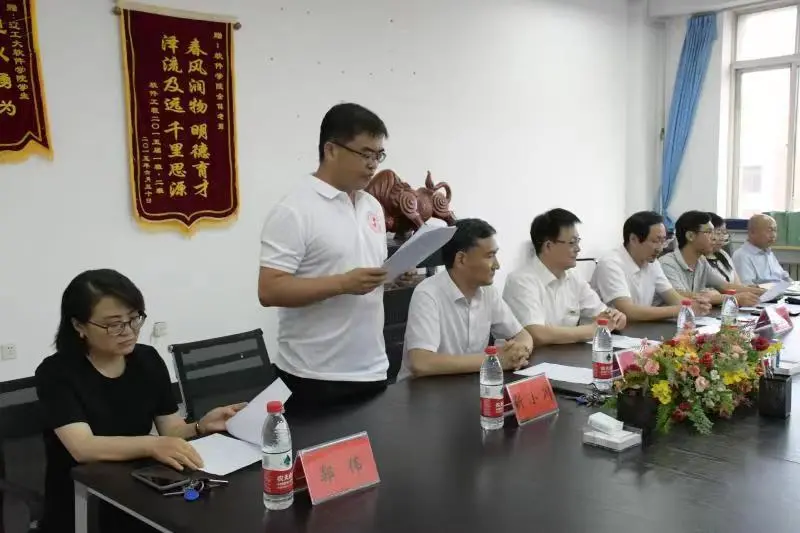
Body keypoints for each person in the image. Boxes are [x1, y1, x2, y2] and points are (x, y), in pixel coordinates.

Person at [35, 270, 245, 533]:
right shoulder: (56, 373)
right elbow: (83, 447)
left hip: (142, 487)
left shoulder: (147, 359)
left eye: (134, 319)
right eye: (114, 324)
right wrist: (152, 444)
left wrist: (200, 426)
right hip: (83, 499)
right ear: (79, 326)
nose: (129, 332)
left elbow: (171, 430)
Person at [258, 103, 391, 413]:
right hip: (314, 376)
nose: (373, 165)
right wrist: (343, 284)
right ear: (331, 150)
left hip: (372, 368)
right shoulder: (295, 209)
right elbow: (269, 290)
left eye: (379, 155)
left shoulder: (372, 205)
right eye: (365, 154)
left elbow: (365, 273)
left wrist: (392, 275)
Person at [400, 218, 534, 379]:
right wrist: (495, 360)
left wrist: (520, 351)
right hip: (423, 389)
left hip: (468, 383)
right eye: (490, 256)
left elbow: (523, 335)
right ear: (461, 259)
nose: (497, 265)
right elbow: (421, 363)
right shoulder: (428, 294)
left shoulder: (488, 291)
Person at [503, 208, 627, 346]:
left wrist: (616, 317)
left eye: (578, 241)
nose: (578, 249)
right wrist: (592, 330)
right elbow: (536, 334)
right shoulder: (520, 281)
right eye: (572, 243)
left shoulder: (573, 276)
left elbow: (601, 314)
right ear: (548, 246)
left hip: (566, 355)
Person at [592, 211, 711, 322]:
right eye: (655, 241)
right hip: (608, 332)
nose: (660, 248)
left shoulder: (652, 262)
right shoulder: (610, 263)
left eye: (663, 241)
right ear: (633, 239)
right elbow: (629, 311)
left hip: (639, 328)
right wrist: (682, 309)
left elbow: (673, 297)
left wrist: (695, 305)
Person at [659, 211, 763, 307]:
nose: (714, 238)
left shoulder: (701, 261)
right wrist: (733, 298)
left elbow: (725, 286)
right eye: (709, 232)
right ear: (690, 236)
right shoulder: (667, 263)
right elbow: (681, 295)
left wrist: (763, 292)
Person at [732, 213, 793, 286]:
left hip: (780, 290)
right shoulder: (741, 255)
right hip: (764, 292)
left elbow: (783, 276)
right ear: (752, 232)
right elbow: (747, 286)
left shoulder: (768, 252)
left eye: (775, 230)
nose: (773, 235)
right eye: (769, 230)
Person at [706, 213, 740, 284]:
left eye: (724, 233)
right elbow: (723, 286)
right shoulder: (700, 260)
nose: (722, 238)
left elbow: (737, 283)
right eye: (718, 233)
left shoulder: (723, 254)